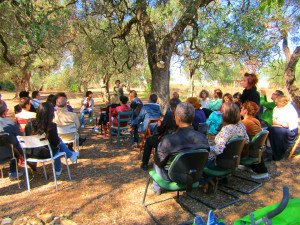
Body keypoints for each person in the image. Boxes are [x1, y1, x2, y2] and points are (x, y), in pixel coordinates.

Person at [152, 102, 209, 194]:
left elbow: (159, 162)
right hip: (195, 175)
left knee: (157, 157)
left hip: (172, 177)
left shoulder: (168, 140)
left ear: (177, 118)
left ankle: (156, 188)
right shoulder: (203, 138)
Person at [203, 102, 249, 191]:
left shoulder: (226, 130)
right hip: (234, 160)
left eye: (223, 112)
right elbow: (246, 140)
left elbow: (218, 150)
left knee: (201, 156)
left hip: (220, 162)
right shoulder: (241, 126)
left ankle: (208, 180)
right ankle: (220, 178)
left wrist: (208, 147)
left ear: (226, 115)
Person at [25, 102, 79, 175]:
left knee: (57, 142)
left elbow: (27, 136)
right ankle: (58, 169)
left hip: (31, 152)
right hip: (47, 153)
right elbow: (56, 143)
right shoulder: (51, 125)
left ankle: (70, 155)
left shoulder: (30, 122)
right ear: (50, 114)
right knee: (58, 146)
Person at [140, 98, 181, 171]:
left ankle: (145, 163)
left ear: (171, 107)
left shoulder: (169, 116)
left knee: (149, 141)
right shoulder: (182, 116)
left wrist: (159, 125)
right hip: (179, 140)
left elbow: (160, 130)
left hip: (166, 141)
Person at [240, 101, 269, 179]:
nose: (241, 109)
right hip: (257, 149)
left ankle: (262, 172)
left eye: (242, 108)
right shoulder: (255, 120)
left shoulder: (245, 123)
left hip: (250, 150)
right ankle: (248, 166)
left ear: (246, 111)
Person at [267, 96, 298, 161]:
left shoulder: (289, 109)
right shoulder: (276, 108)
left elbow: (287, 125)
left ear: (282, 103)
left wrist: (279, 124)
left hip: (290, 131)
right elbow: (273, 121)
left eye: (277, 102)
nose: (275, 104)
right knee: (268, 130)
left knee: (274, 130)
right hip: (280, 127)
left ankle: (277, 154)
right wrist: (280, 123)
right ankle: (270, 151)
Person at [0, 100, 24, 180]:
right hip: (8, 154)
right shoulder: (10, 123)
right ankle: (13, 172)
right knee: (15, 147)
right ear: (4, 112)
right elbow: (20, 135)